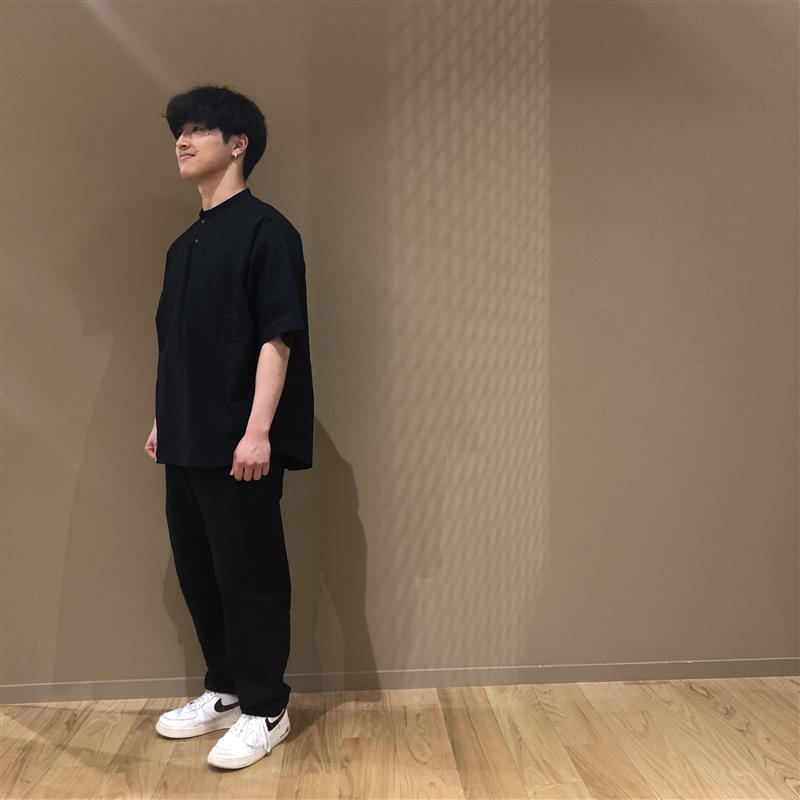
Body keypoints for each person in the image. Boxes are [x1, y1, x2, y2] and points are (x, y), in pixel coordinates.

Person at [143, 84, 314, 771]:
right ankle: (225, 688)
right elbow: (181, 343)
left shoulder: (268, 232)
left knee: (250, 574)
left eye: (197, 130)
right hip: (186, 437)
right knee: (199, 570)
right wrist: (163, 418)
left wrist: (258, 430)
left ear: (238, 143)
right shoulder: (183, 245)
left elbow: (279, 335)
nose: (182, 141)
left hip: (240, 441)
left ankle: (266, 706)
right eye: (177, 132)